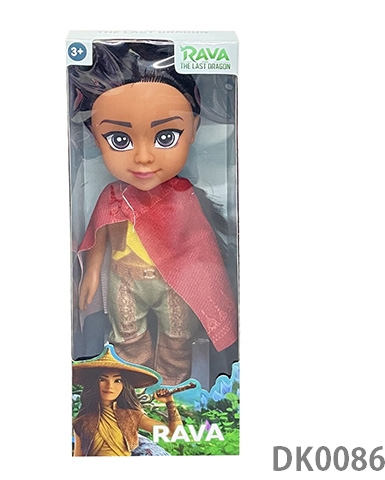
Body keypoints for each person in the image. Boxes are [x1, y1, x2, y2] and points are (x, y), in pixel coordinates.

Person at [70, 41, 237, 385]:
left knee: (178, 342)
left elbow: (199, 250)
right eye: (119, 140)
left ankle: (173, 390)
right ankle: (135, 392)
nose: (143, 157)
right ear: (95, 136)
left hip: (171, 283)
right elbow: (100, 236)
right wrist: (92, 272)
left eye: (166, 136)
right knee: (127, 340)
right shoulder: (113, 196)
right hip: (125, 279)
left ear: (193, 128)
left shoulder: (185, 197)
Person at [72, 344, 182, 457]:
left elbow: (174, 432)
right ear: (94, 382)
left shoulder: (131, 416)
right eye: (102, 379)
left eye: (117, 381)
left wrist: (170, 402)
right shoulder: (82, 421)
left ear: (124, 385)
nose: (109, 386)